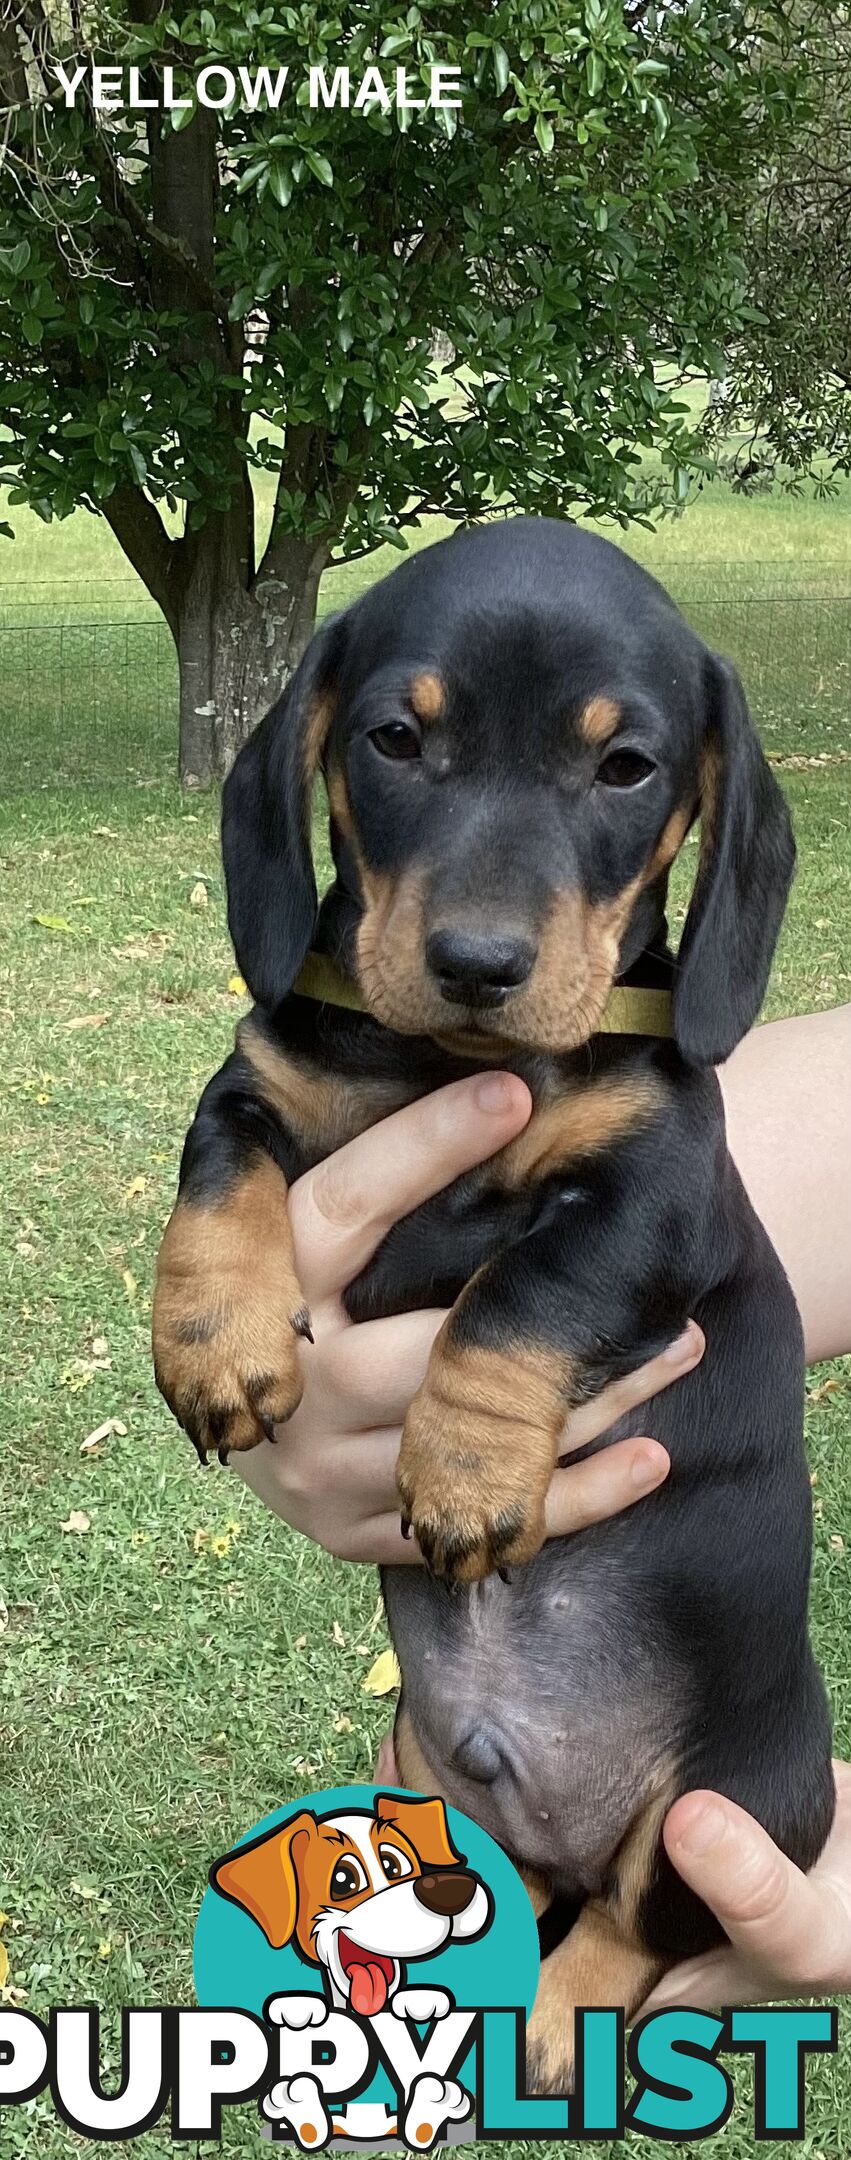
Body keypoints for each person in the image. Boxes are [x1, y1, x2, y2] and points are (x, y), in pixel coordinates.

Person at [234, 1005, 851, 2008]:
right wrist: (289, 1286)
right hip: (456, 1738)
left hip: (672, 1767)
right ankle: (483, 1909)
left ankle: (608, 1945)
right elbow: (651, 1162)